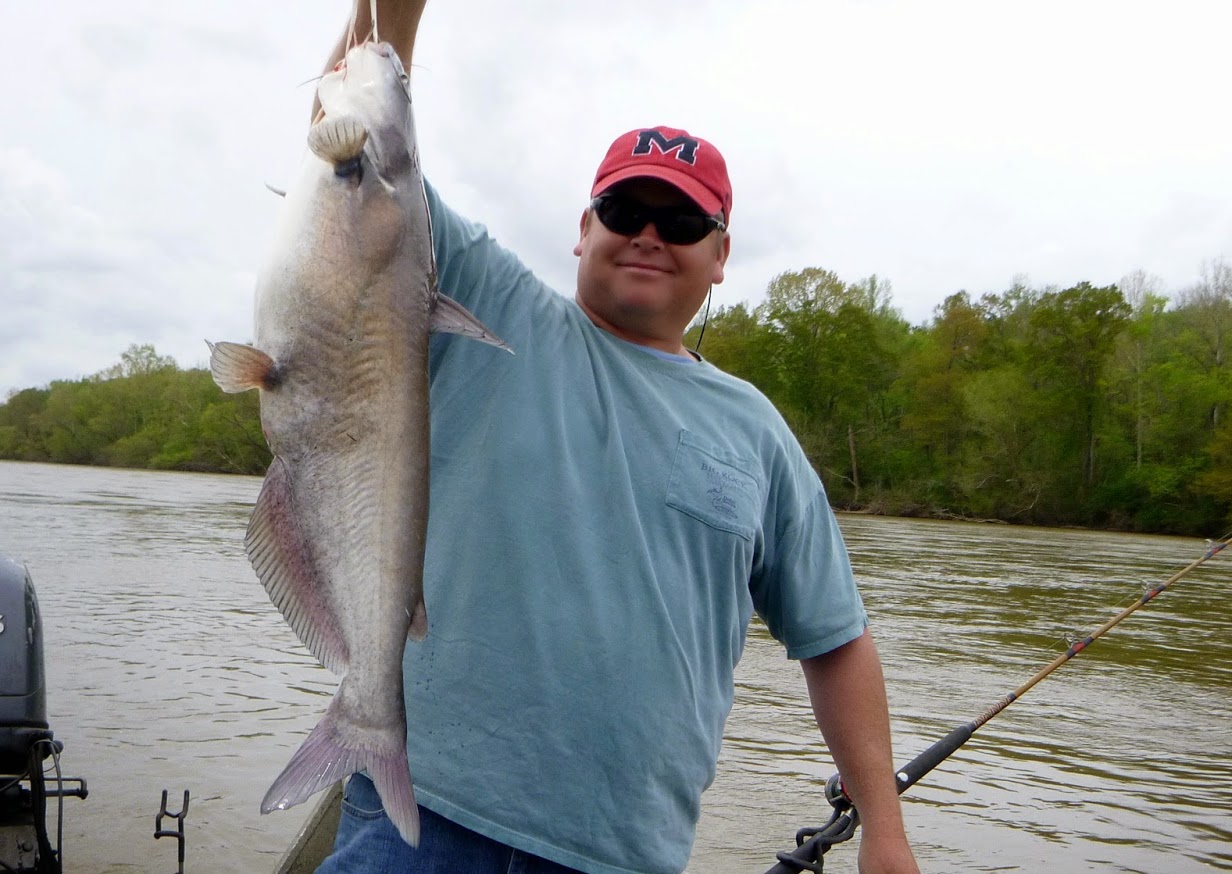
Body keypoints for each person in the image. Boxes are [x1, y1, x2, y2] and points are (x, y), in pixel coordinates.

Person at [313, 3, 922, 872]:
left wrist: (887, 833)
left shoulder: (757, 430)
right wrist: (392, 14)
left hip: (624, 854)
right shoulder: (491, 307)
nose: (647, 232)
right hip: (427, 815)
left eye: (680, 222)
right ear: (583, 229)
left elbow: (837, 639)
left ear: (720, 255)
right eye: (625, 206)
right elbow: (355, 155)